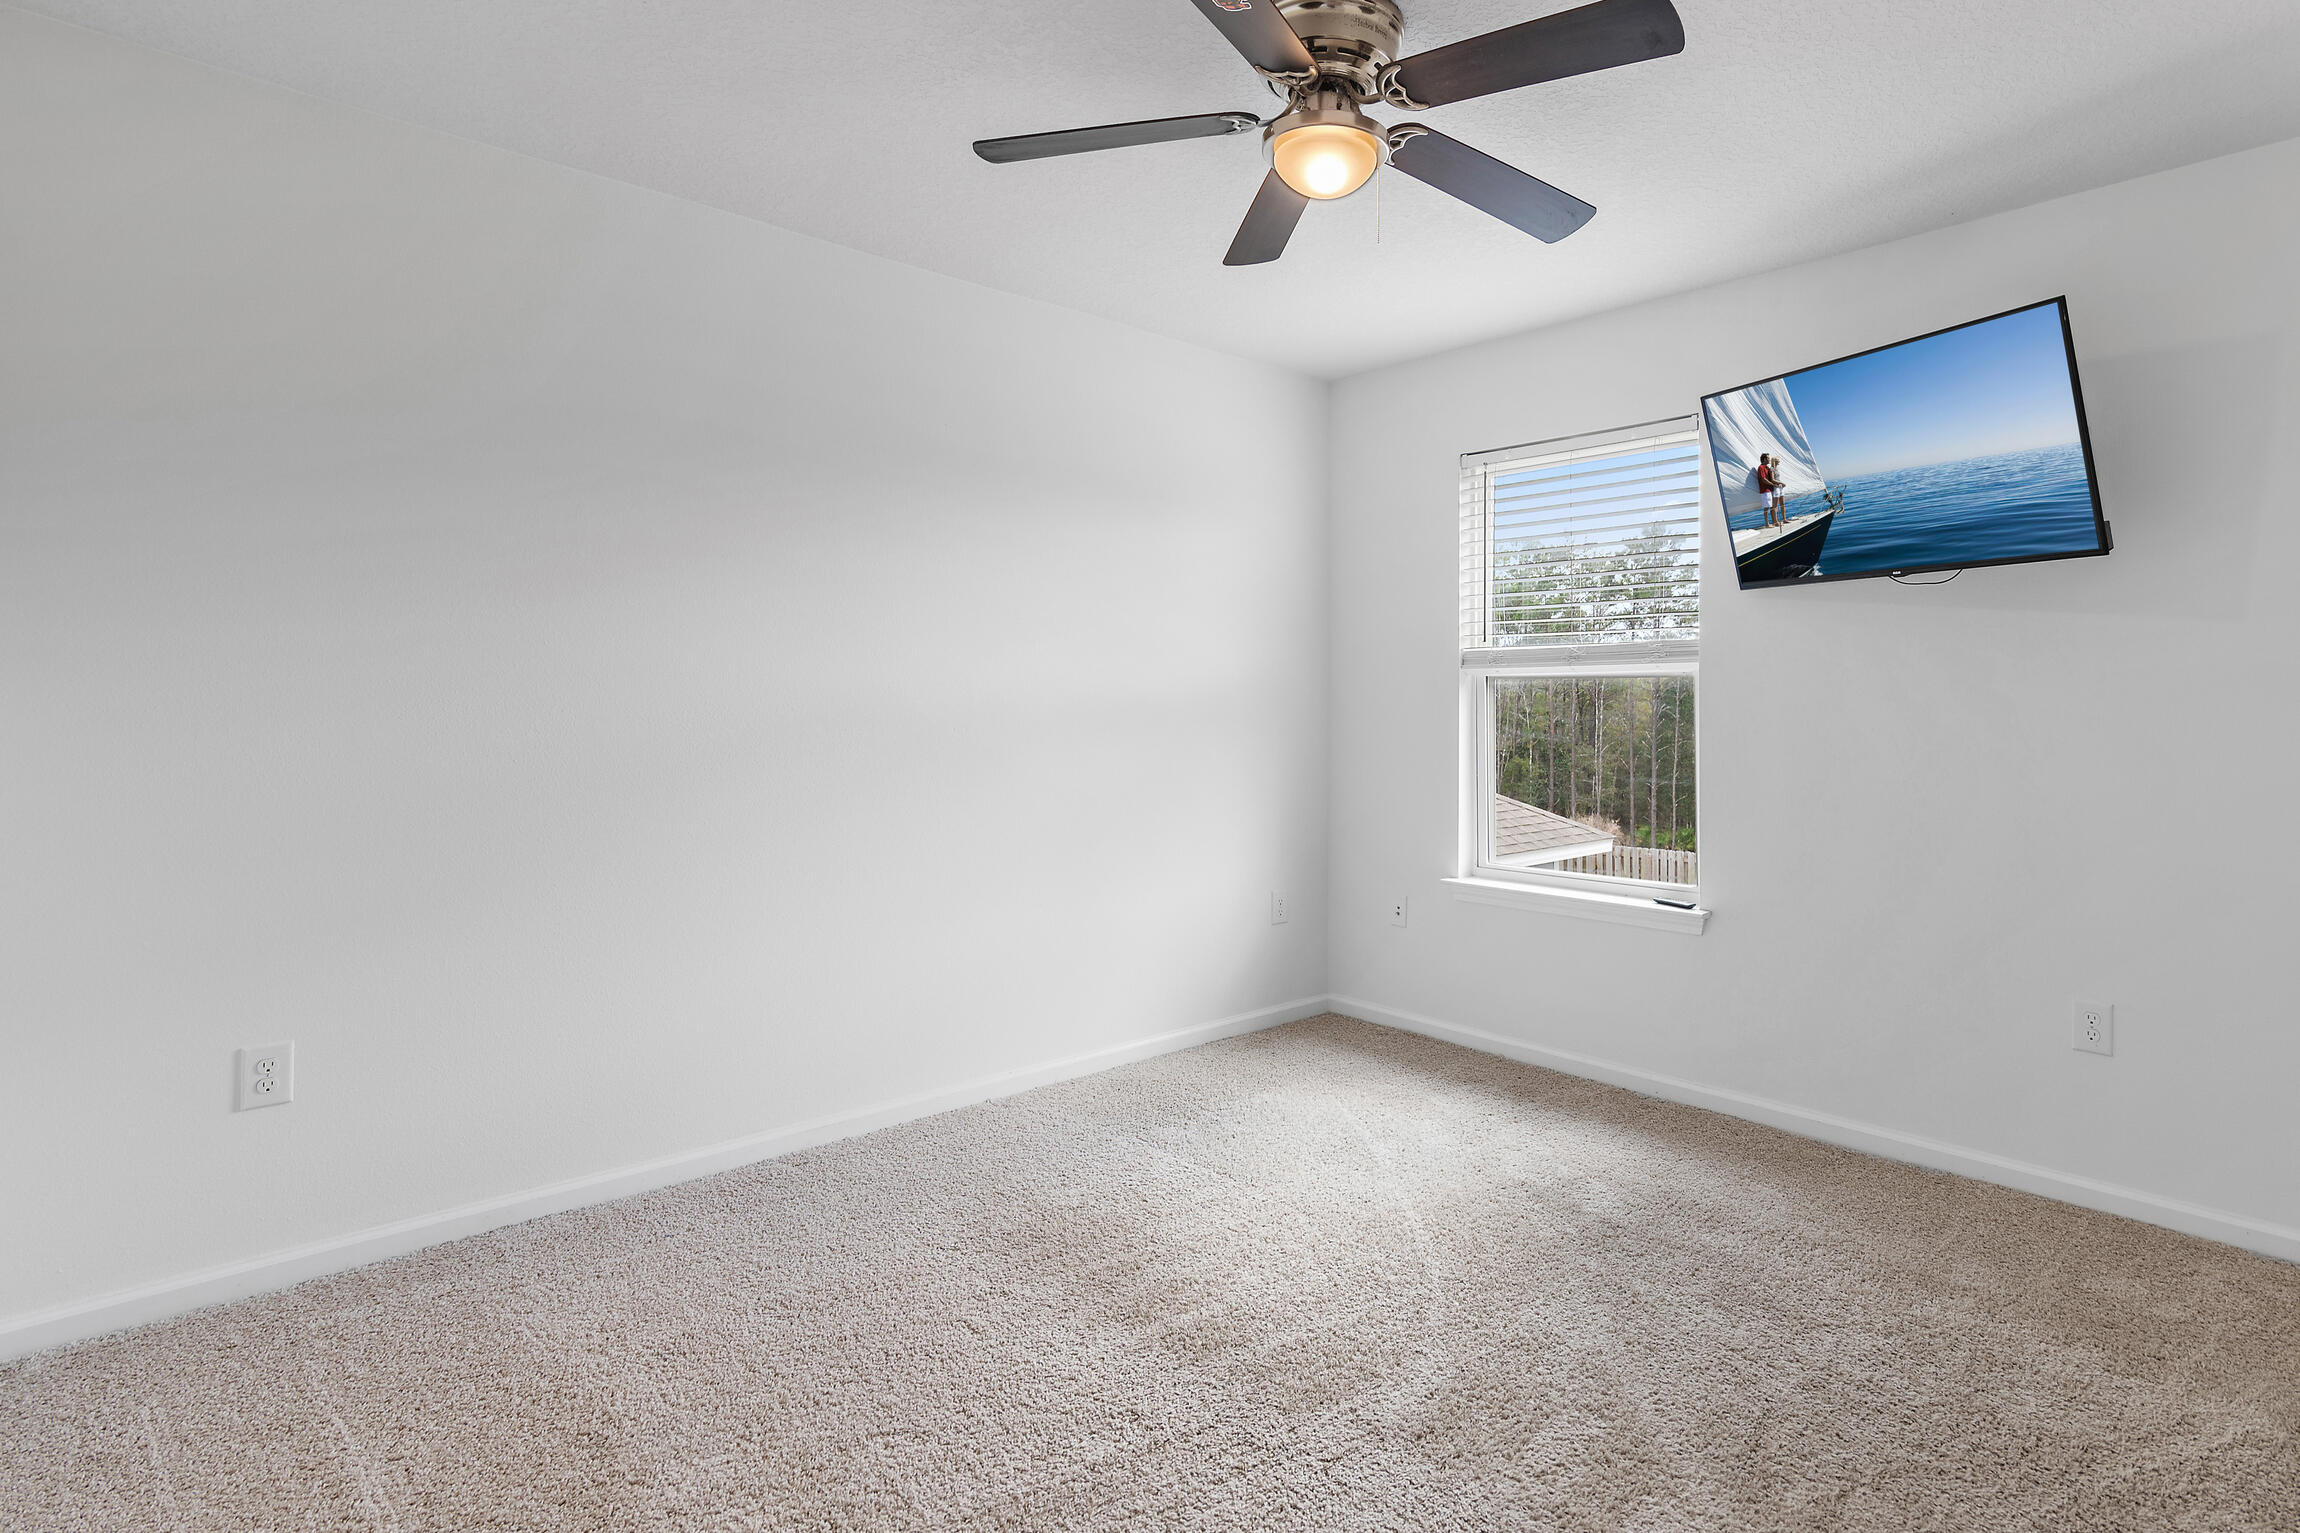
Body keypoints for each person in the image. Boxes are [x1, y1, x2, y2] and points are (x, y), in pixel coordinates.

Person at [1755, 454, 1780, 529]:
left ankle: (1774, 522)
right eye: (1768, 458)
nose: (1769, 460)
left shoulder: (1767, 467)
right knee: (1766, 507)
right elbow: (1763, 479)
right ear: (1764, 459)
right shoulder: (1761, 468)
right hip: (1765, 490)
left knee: (1772, 506)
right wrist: (1773, 484)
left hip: (1770, 490)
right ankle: (1767, 524)